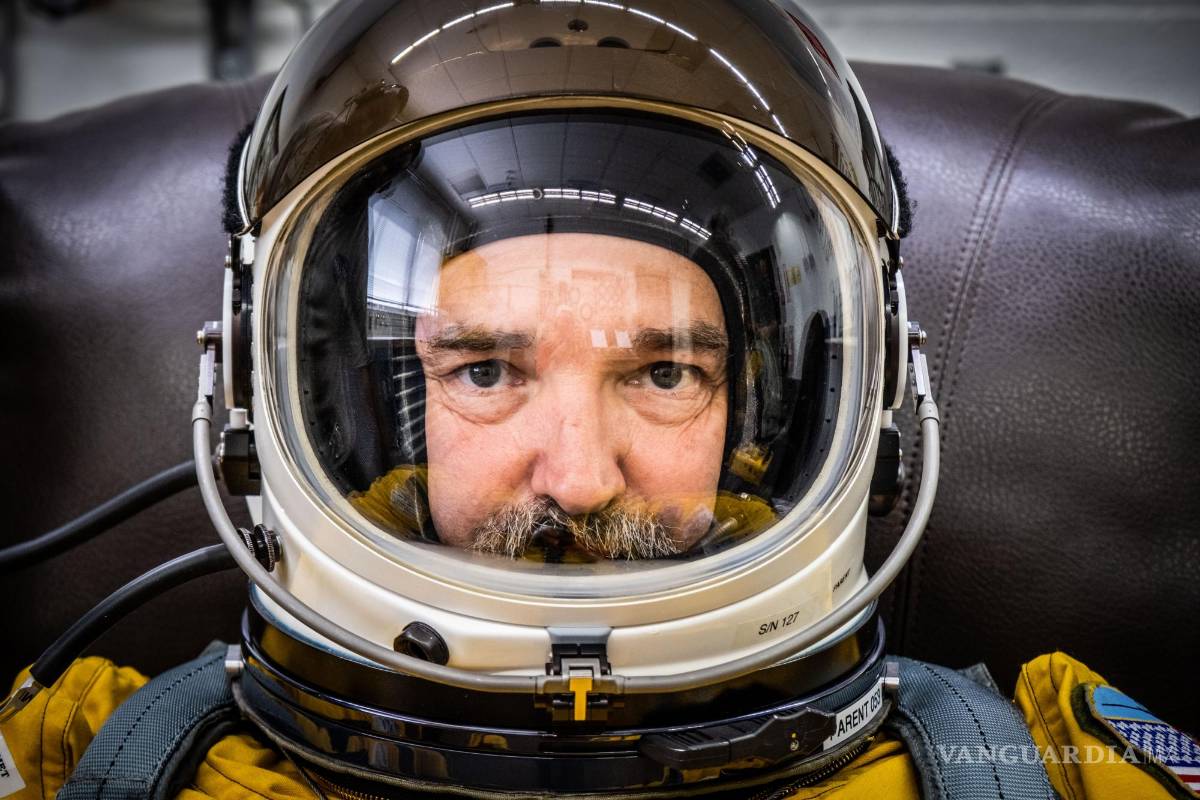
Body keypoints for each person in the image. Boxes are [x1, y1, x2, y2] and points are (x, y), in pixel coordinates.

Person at [2, 1, 1197, 798]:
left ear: (857, 404)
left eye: (664, 372)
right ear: (267, 399)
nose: (577, 474)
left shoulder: (1043, 757)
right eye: (487, 370)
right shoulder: (82, 750)